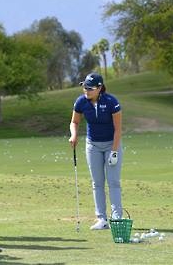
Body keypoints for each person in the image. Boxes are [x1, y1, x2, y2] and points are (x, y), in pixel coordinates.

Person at [68, 72, 123, 230]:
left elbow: (118, 129)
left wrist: (114, 151)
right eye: (84, 87)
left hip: (112, 143)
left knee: (113, 181)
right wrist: (74, 135)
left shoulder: (112, 102)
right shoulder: (81, 102)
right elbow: (74, 122)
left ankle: (117, 218)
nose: (86, 90)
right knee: (97, 182)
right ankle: (101, 219)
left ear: (99, 88)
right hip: (92, 145)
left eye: (90, 88)